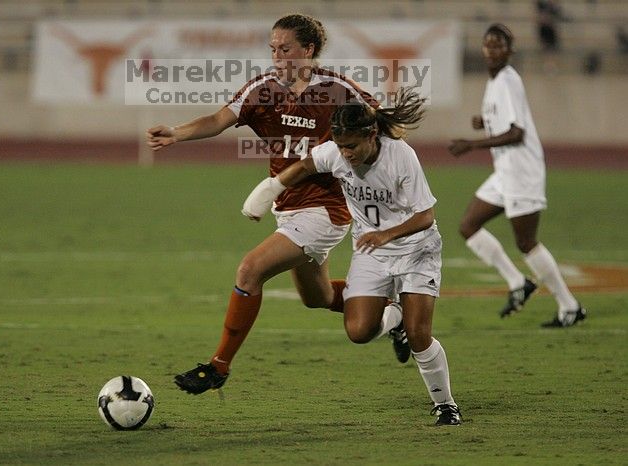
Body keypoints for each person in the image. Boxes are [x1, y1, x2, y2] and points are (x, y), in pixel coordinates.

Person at [147, 14, 410, 395]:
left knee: (250, 270)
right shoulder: (263, 89)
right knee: (316, 298)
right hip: (287, 206)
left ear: (309, 50)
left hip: (326, 209)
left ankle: (218, 365)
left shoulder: (336, 90)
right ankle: (392, 312)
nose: (277, 56)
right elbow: (219, 119)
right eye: (272, 49)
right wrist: (176, 133)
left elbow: (376, 123)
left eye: (285, 49)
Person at [242, 88, 462, 426]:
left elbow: (425, 216)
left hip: (416, 248)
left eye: (352, 146)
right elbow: (304, 165)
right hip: (371, 252)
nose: (346, 154)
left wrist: (385, 234)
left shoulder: (401, 156)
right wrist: (271, 188)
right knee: (358, 331)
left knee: (420, 336)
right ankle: (396, 318)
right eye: (341, 146)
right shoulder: (335, 152)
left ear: (371, 135)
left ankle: (445, 404)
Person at [448, 23, 587, 328]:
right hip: (505, 171)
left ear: (510, 50)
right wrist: (483, 120)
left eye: (499, 45)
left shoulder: (509, 80)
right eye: (488, 44)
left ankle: (569, 306)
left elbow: (516, 132)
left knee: (526, 242)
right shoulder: (495, 81)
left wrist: (472, 144)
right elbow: (504, 119)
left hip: (522, 170)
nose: (492, 50)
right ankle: (518, 283)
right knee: (468, 225)